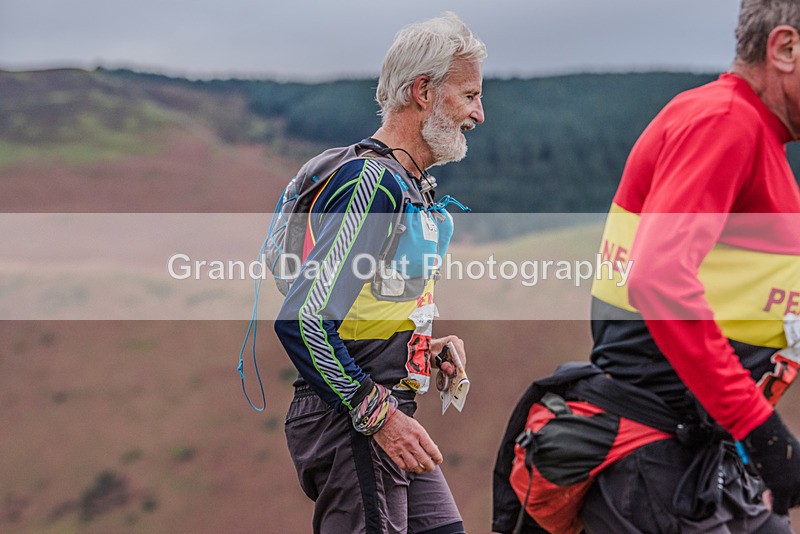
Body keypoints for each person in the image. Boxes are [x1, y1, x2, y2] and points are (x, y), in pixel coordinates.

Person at [493, 1, 800, 533]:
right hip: (655, 459)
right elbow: (660, 278)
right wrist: (759, 427)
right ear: (785, 48)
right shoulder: (725, 122)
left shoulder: (754, 137)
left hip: (698, 457)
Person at [274, 12, 485, 534]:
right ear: (423, 92)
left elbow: (361, 306)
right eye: (469, 95)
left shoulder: (406, 183)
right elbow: (303, 319)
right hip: (355, 421)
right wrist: (379, 417)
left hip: (380, 410)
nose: (479, 114)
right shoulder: (373, 185)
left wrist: (418, 346)